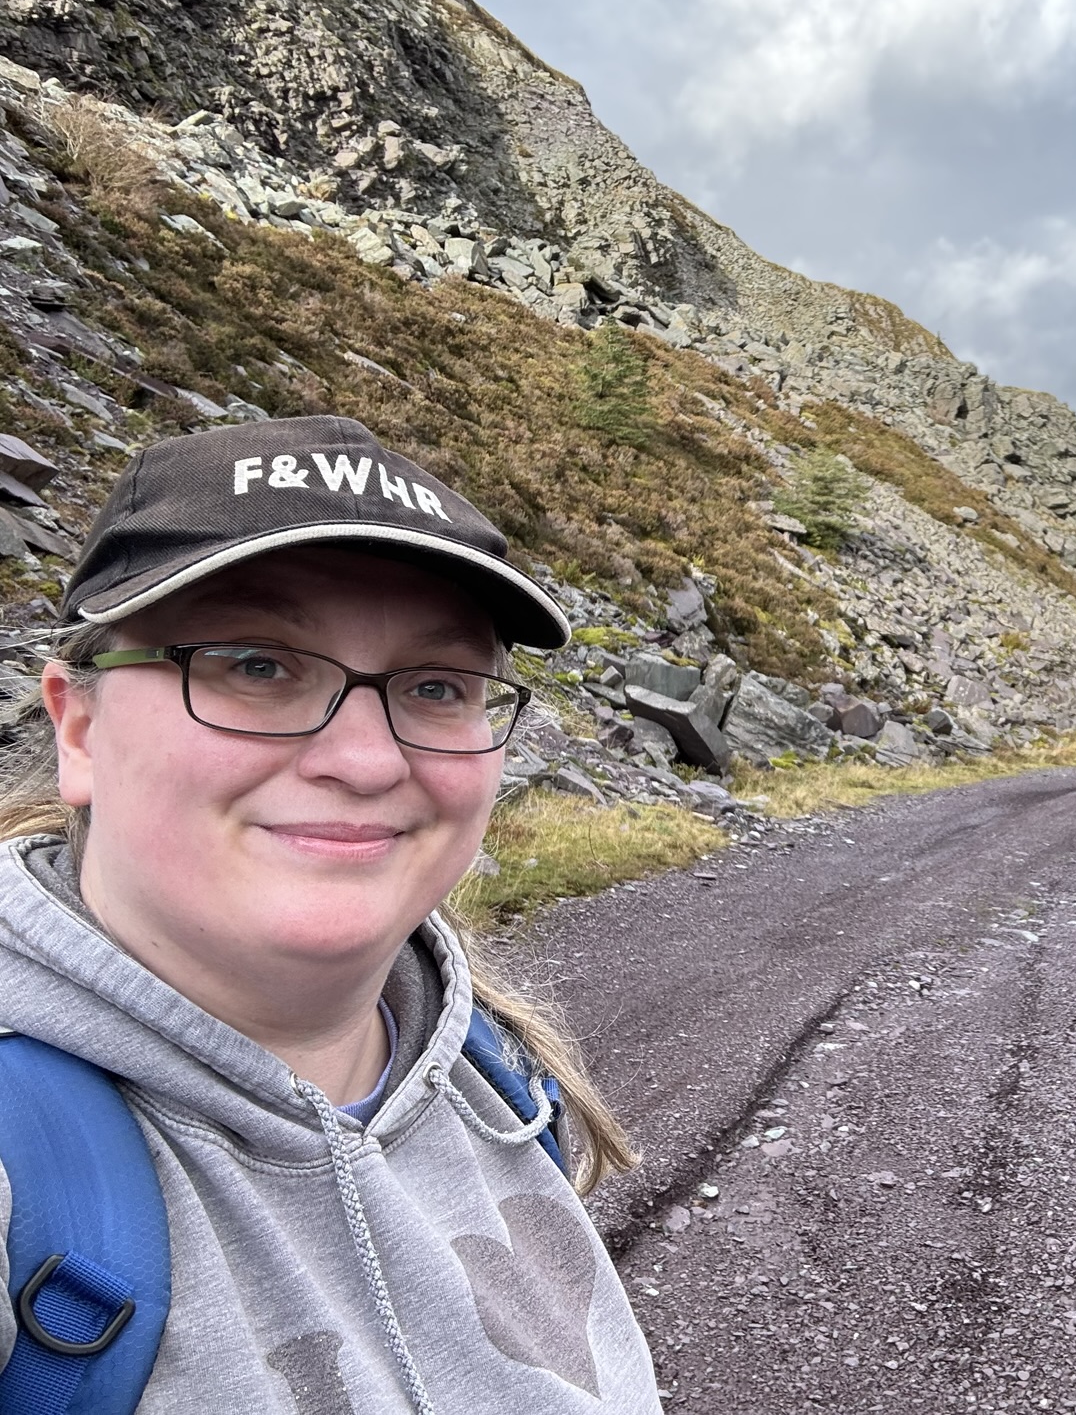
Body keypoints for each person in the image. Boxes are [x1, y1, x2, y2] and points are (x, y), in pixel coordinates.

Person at [0, 416, 662, 1412]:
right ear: (80, 728)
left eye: (437, 686)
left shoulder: (505, 1080)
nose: (365, 761)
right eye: (256, 665)